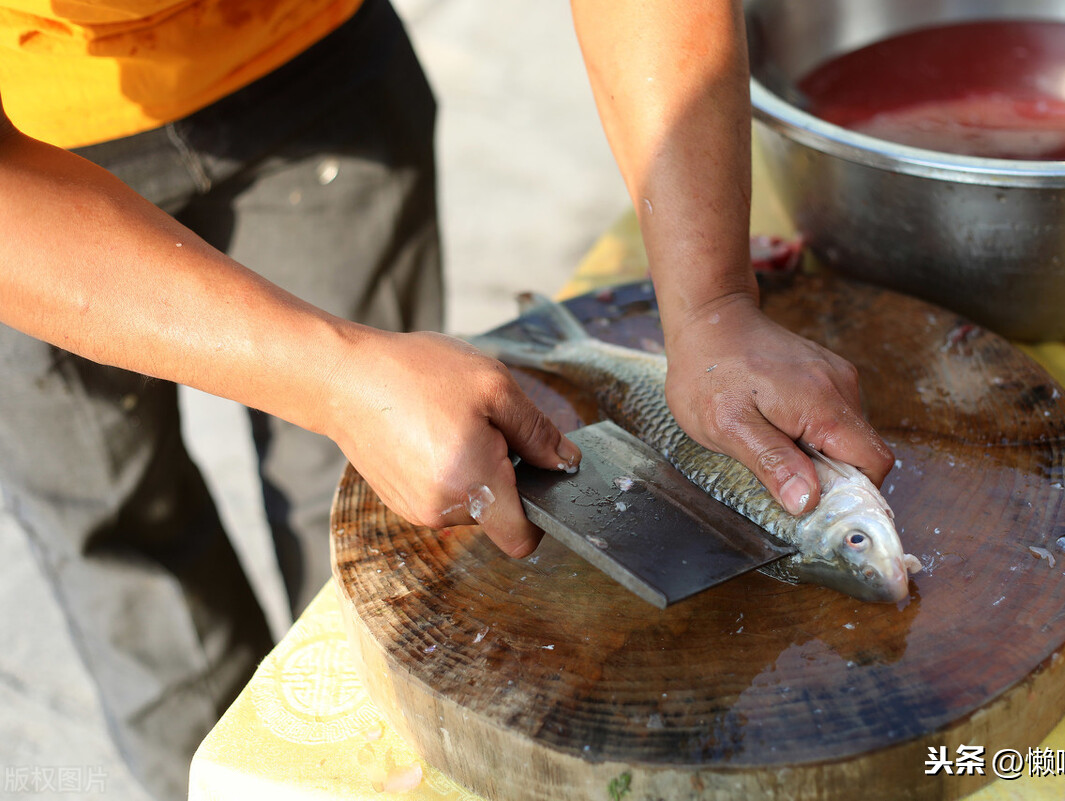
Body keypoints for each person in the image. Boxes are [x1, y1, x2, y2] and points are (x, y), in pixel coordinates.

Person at [0, 0, 893, 797]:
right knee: (123, 537)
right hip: (27, 143)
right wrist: (333, 374)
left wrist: (711, 305)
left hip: (308, 56)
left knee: (376, 503)